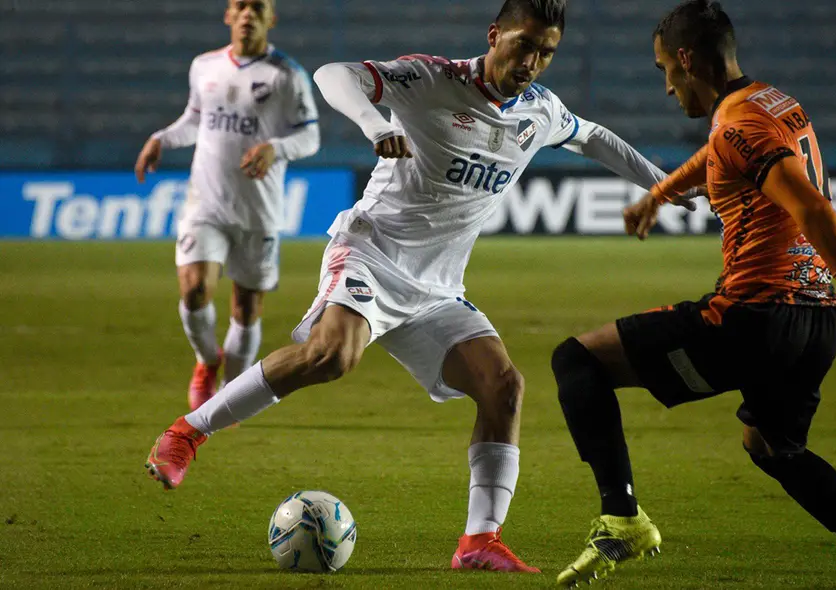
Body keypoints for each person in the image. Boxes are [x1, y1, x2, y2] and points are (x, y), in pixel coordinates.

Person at [144, 0, 694, 573]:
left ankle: (478, 541)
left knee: (503, 387)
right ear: (494, 36)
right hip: (372, 252)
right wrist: (377, 123)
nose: (532, 61)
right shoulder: (433, 78)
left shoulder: (540, 111)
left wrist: (665, 185)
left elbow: (595, 138)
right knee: (331, 357)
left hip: (437, 288)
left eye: (546, 52)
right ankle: (187, 432)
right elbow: (337, 76)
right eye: (523, 44)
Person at [552, 2, 836, 588]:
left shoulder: (737, 125)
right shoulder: (770, 103)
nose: (667, 88)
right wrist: (661, 191)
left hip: (754, 318)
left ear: (685, 60)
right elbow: (720, 156)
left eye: (663, 71)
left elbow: (813, 208)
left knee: (576, 358)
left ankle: (621, 519)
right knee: (774, 447)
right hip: (812, 325)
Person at [135, 0, 320, 410]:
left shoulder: (287, 75)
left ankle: (233, 391)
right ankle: (206, 363)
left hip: (259, 209)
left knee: (246, 307)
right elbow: (196, 119)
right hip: (205, 203)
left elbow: (310, 137)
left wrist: (276, 147)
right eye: (240, 6)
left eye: (257, 7)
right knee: (196, 288)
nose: (247, 14)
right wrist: (161, 139)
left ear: (271, 18)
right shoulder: (205, 66)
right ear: (228, 16)